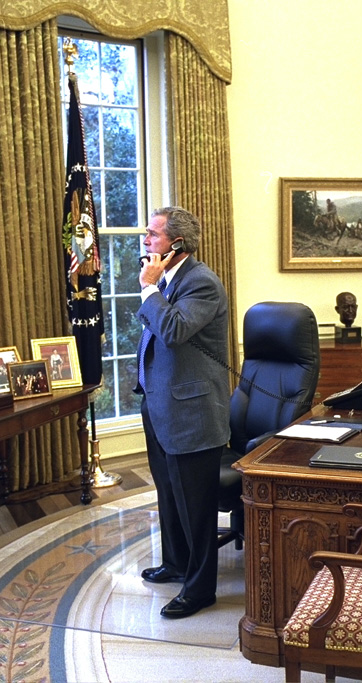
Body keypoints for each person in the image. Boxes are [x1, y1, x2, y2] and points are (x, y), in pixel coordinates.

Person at [134, 206, 230, 619]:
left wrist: (148, 290)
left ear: (177, 244)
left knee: (195, 505)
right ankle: (175, 563)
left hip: (192, 412)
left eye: (152, 235)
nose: (145, 241)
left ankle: (199, 588)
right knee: (168, 493)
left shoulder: (202, 282)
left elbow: (172, 331)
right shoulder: (169, 279)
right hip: (158, 403)